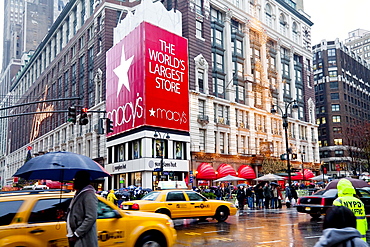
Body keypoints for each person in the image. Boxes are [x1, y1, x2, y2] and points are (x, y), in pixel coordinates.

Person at [67, 170, 98, 247]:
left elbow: (91, 217)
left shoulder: (89, 195)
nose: (74, 181)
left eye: (76, 179)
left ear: (82, 181)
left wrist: (77, 234)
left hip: (83, 240)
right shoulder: (78, 194)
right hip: (74, 236)